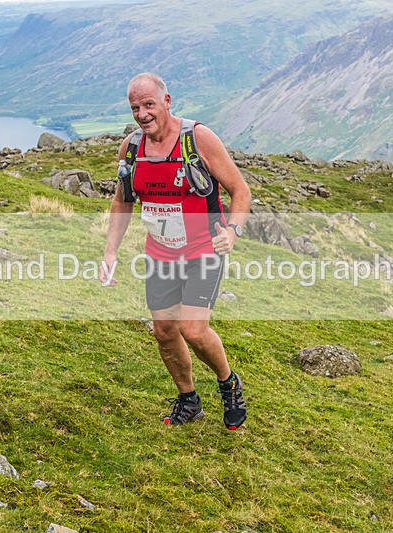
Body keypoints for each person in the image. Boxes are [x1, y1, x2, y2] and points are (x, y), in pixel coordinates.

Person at [101, 73, 252, 430]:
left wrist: (233, 230)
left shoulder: (198, 139)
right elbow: (122, 201)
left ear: (167, 101)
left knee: (194, 329)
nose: (142, 114)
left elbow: (240, 190)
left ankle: (229, 384)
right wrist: (110, 252)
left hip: (204, 248)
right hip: (160, 253)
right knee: (165, 331)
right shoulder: (132, 149)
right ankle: (189, 400)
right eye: (135, 107)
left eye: (149, 104)